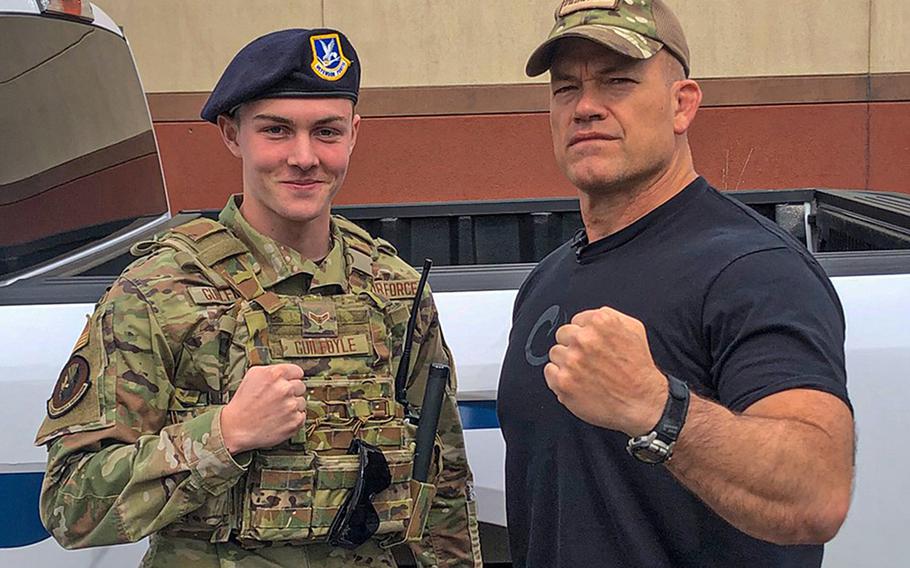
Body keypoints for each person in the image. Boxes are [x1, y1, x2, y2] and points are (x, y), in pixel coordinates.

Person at [34, 28, 482, 568]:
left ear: (354, 134)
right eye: (276, 130)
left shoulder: (395, 289)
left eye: (327, 131)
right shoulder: (159, 292)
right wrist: (223, 435)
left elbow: (444, 482)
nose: (304, 157)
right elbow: (70, 505)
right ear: (231, 133)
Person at [496, 1, 855, 567]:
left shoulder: (753, 269)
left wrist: (660, 410)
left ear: (682, 104)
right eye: (566, 88)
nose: (585, 107)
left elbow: (817, 491)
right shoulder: (548, 280)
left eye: (617, 81)